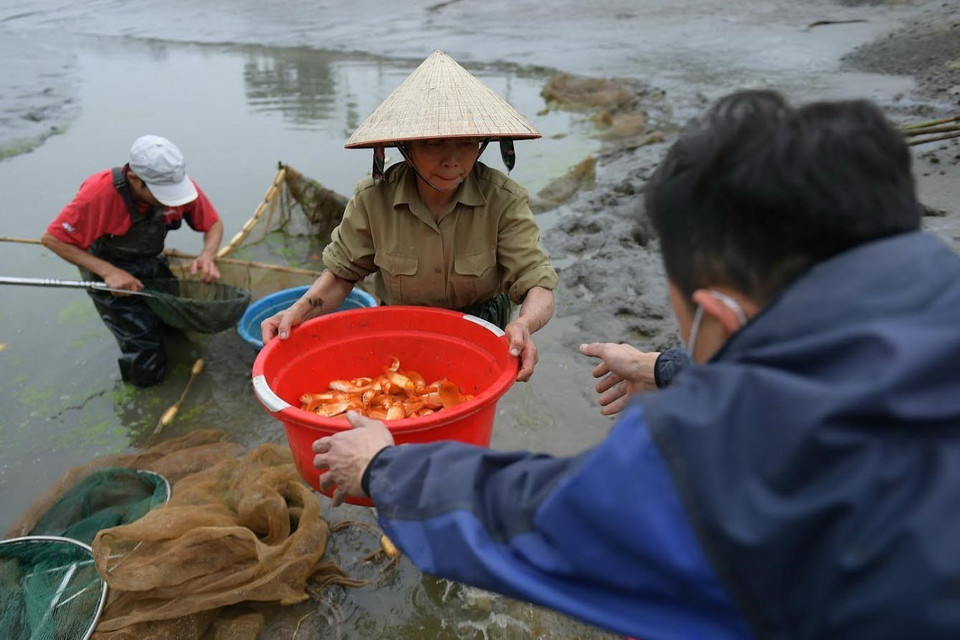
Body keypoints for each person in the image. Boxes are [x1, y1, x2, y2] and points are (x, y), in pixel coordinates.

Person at [309, 89, 960, 639]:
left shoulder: (710, 460)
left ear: (721, 320)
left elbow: (543, 520)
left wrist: (385, 469)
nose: (451, 156)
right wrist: (674, 368)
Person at [260, 50, 558, 382]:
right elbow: (342, 275)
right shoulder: (373, 200)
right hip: (399, 326)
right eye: (433, 143)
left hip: (479, 327)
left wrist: (523, 324)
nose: (452, 160)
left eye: (467, 143)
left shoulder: (503, 199)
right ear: (406, 147)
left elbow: (538, 284)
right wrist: (296, 312)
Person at [41, 135, 224, 387]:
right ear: (135, 179)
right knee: (142, 343)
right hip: (107, 266)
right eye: (162, 194)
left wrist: (208, 255)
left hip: (151, 260)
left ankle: (182, 375)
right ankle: (148, 389)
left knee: (172, 324)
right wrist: (108, 272)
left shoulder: (179, 185)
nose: (171, 200)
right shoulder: (98, 194)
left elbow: (213, 223)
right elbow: (54, 239)